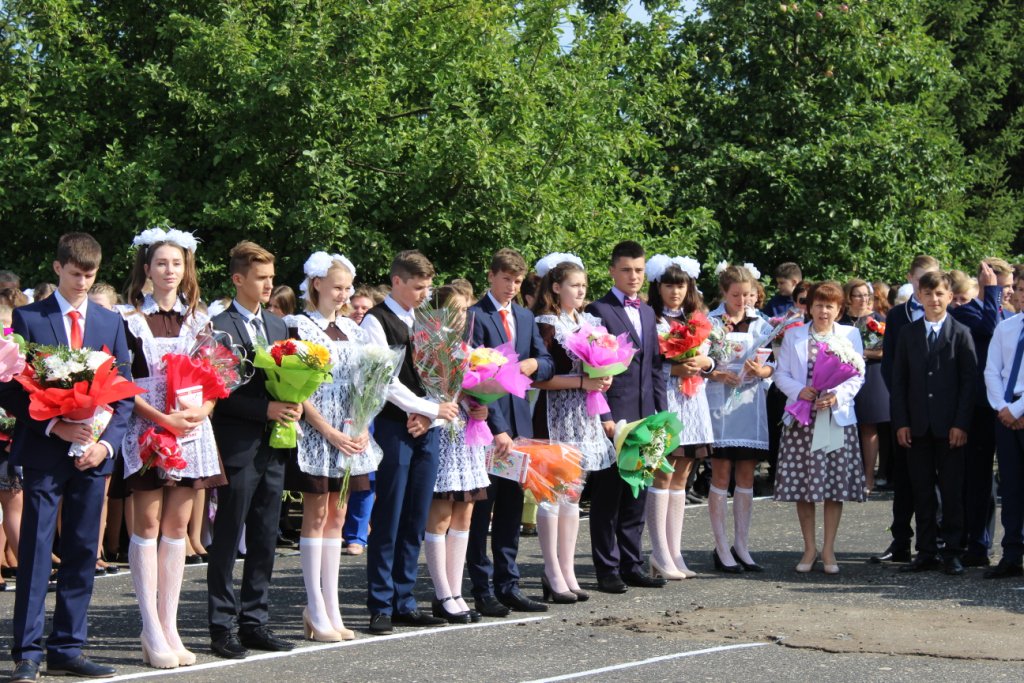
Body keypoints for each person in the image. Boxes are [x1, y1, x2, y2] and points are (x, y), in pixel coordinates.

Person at [2, 233, 133, 681]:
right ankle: (28, 652)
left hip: (93, 457)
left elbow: (126, 394)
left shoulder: (109, 321)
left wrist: (104, 444)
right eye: (75, 274)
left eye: (90, 275)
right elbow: (10, 386)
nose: (82, 282)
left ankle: (69, 647)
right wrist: (54, 425)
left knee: (81, 550)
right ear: (58, 269)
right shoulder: (29, 317)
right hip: (45, 450)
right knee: (37, 553)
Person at [119, 227, 223, 669]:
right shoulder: (127, 318)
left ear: (186, 269)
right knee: (147, 523)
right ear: (146, 268)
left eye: (176, 263)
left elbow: (216, 377)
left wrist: (203, 410)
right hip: (147, 430)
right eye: (161, 263)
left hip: (191, 431)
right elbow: (120, 382)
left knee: (178, 528)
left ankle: (170, 624)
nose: (169, 270)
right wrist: (161, 419)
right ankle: (150, 628)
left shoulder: (200, 319)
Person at [207, 241, 298, 659]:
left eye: (272, 277)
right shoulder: (220, 327)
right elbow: (221, 392)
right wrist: (267, 408)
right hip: (239, 443)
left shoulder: (280, 327)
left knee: (265, 535)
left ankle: (255, 620)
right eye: (261, 277)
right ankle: (221, 626)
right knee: (228, 536)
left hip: (275, 445)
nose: (269, 284)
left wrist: (293, 404)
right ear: (238, 279)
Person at [360, 250, 459, 635]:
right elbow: (384, 381)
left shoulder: (427, 320)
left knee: (416, 516)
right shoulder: (375, 321)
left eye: (428, 288)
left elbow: (443, 371)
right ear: (397, 282)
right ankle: (381, 603)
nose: (424, 294)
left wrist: (432, 412)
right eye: (418, 287)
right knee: (389, 517)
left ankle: (405, 598)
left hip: (426, 428)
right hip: (393, 427)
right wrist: (426, 408)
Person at [284, 252, 377, 642]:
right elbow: (296, 389)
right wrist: (326, 430)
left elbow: (367, 384)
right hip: (317, 433)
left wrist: (364, 424)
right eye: (337, 287)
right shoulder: (298, 326)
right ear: (317, 284)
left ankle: (331, 604)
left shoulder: (355, 330)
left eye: (347, 288)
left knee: (338, 518)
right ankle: (315, 605)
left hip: (350, 431)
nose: (343, 295)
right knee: (316, 514)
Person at [467, 248, 554, 614]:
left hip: (519, 426)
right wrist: (496, 427)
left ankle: (509, 582)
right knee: (481, 510)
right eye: (506, 279)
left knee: (511, 508)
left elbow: (545, 362)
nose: (511, 287)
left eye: (517, 282)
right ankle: (481, 586)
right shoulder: (475, 315)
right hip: (486, 427)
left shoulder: (524, 316)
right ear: (491, 276)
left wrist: (535, 363)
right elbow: (472, 377)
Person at [585, 240, 668, 593]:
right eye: (626, 270)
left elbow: (655, 368)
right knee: (608, 496)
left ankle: (631, 563)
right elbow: (593, 368)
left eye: (639, 270)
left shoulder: (648, 312)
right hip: (612, 415)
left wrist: (661, 415)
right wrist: (603, 415)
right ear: (612, 272)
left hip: (645, 414)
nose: (634, 277)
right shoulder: (598, 310)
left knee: (637, 493)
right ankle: (607, 568)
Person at [530, 253, 614, 600]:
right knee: (552, 495)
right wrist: (581, 383)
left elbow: (599, 366)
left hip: (584, 416)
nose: (581, 291)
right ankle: (551, 571)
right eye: (574, 285)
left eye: (584, 286)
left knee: (573, 496)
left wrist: (603, 378)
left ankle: (567, 569)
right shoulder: (546, 325)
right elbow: (538, 380)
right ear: (556, 287)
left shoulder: (590, 322)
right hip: (554, 415)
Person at [774, 281, 866, 575]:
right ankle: (809, 547)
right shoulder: (794, 336)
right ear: (808, 306)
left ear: (839, 309)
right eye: (818, 304)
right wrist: (800, 390)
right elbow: (781, 374)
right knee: (804, 486)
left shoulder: (850, 334)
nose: (823, 311)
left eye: (830, 305)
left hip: (835, 416)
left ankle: (828, 548)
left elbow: (858, 374)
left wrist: (837, 395)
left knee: (832, 487)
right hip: (803, 419)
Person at [891, 271, 976, 576]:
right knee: (922, 490)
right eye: (928, 294)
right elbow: (899, 381)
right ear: (920, 297)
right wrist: (901, 422)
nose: (934, 299)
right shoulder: (908, 334)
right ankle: (926, 551)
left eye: (940, 293)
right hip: (917, 425)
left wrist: (961, 423)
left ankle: (952, 551)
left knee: (952, 491)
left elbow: (969, 383)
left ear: (950, 297)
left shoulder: (961, 333)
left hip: (950, 427)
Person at [644, 256, 714, 580]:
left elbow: (712, 359)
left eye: (681, 284)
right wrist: (673, 367)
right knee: (661, 472)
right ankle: (658, 553)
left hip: (692, 401)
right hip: (663, 402)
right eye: (669, 284)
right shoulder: (650, 318)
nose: (675, 291)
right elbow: (640, 364)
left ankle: (675, 551)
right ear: (658, 286)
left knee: (683, 475)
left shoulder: (697, 319)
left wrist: (706, 361)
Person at [423, 284, 489, 622]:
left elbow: (480, 388)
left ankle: (456, 590)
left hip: (468, 435)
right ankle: (441, 591)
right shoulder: (428, 347)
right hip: (442, 432)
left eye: (464, 311)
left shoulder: (467, 348)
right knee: (442, 512)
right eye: (453, 311)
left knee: (465, 512)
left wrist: (482, 405)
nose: (460, 317)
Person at [705, 264, 774, 573]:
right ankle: (721, 548)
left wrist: (762, 371)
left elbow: (773, 364)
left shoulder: (762, 323)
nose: (743, 301)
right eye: (736, 295)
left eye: (748, 295)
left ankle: (742, 545)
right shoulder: (711, 322)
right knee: (721, 475)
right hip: (720, 407)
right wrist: (718, 373)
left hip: (750, 406)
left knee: (746, 476)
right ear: (724, 293)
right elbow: (701, 362)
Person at [873, 254, 940, 564]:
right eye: (922, 277)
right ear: (911, 278)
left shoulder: (945, 311)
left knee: (936, 478)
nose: (927, 284)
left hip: (937, 407)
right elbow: (890, 364)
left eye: (933, 277)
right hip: (905, 406)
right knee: (904, 478)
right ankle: (900, 540)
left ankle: (936, 540)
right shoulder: (899, 315)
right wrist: (902, 404)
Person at [951, 258, 1013, 567]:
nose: (1008, 295)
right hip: (977, 407)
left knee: (1009, 480)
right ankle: (976, 544)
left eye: (1011, 289)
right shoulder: (966, 311)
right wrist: (990, 292)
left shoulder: (1010, 313)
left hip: (1007, 407)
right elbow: (990, 328)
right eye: (1003, 289)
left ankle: (997, 544)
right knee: (977, 479)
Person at [983, 272, 1024, 579]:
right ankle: (1012, 553)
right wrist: (1003, 409)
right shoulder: (1006, 328)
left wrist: (1018, 409)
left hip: (1018, 409)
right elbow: (992, 370)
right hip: (1006, 415)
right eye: (1021, 289)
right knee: (1010, 487)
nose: (1023, 295)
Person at [840, 279, 888, 493]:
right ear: (848, 297)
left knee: (869, 427)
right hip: (842, 376)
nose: (864, 299)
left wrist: (861, 354)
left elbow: (887, 350)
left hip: (872, 375)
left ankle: (868, 477)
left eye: (866, 295)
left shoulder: (878, 320)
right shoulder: (840, 321)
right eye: (858, 295)